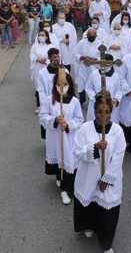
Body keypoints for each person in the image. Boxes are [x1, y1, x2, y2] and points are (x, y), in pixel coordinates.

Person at [73, 92, 126, 253]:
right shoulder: (84, 129)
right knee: (89, 202)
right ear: (94, 111)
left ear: (111, 111)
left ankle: (106, 241)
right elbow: (77, 151)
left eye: (107, 112)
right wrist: (94, 148)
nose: (103, 116)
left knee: (107, 210)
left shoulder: (117, 131)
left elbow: (118, 157)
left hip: (108, 180)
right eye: (99, 112)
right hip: (88, 177)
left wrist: (107, 179)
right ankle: (88, 225)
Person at [40, 71, 83, 205]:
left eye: (64, 84)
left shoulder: (74, 102)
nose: (62, 87)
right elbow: (42, 116)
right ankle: (61, 184)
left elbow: (79, 119)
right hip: (54, 137)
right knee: (58, 159)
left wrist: (68, 124)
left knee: (68, 161)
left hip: (69, 138)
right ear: (55, 85)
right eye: (59, 84)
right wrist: (55, 120)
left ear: (69, 84)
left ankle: (66, 188)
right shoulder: (49, 100)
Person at [85, 53, 124, 123]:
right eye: (102, 63)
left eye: (107, 63)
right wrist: (95, 97)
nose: (104, 65)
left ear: (111, 64)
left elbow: (119, 90)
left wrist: (116, 99)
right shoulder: (94, 74)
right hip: (96, 103)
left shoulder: (116, 76)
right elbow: (88, 88)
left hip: (110, 105)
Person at [75, 28, 103, 103]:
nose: (91, 37)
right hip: (83, 67)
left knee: (93, 84)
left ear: (96, 36)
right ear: (87, 35)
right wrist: (83, 57)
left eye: (93, 35)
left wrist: (94, 59)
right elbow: (76, 53)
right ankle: (81, 100)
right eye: (90, 35)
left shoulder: (100, 44)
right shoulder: (81, 43)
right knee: (81, 85)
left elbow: (103, 56)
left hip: (94, 68)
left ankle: (94, 100)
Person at [31, 29, 55, 114]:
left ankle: (50, 105)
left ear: (47, 37)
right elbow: (32, 56)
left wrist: (46, 61)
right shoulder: (35, 46)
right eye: (40, 35)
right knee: (39, 88)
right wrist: (37, 60)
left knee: (48, 87)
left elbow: (53, 58)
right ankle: (39, 106)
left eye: (43, 35)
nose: (41, 37)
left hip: (47, 70)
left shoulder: (50, 46)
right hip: (37, 69)